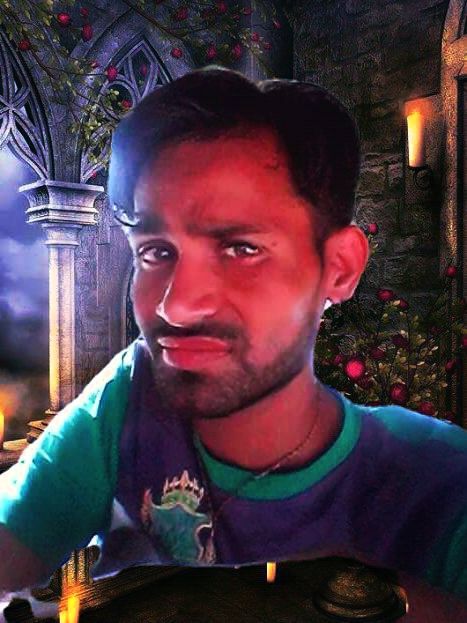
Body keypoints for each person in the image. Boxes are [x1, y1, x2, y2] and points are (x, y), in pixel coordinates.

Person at [0, 67, 466, 620]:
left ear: (338, 267)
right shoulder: (128, 398)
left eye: (241, 249)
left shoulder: (433, 473)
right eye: (155, 251)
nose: (176, 305)